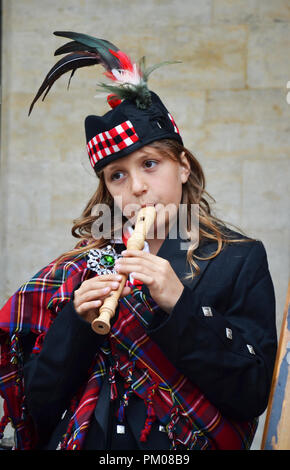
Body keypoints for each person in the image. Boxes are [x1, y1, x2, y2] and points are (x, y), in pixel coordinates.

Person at [0, 32, 277, 451]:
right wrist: (76, 322)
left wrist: (178, 302)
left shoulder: (238, 258)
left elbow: (253, 394)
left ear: (182, 166)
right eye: (118, 176)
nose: (138, 188)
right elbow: (38, 404)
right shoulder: (87, 264)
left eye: (150, 164)